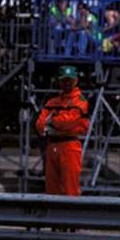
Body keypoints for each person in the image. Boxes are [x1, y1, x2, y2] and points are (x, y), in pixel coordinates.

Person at [35, 66, 89, 196]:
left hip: (70, 146)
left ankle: (71, 210)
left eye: (70, 80)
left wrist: (52, 121)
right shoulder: (52, 102)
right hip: (52, 145)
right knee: (51, 188)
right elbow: (40, 124)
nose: (67, 83)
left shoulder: (80, 101)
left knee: (70, 188)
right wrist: (57, 124)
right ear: (59, 81)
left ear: (76, 80)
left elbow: (68, 121)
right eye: (64, 80)